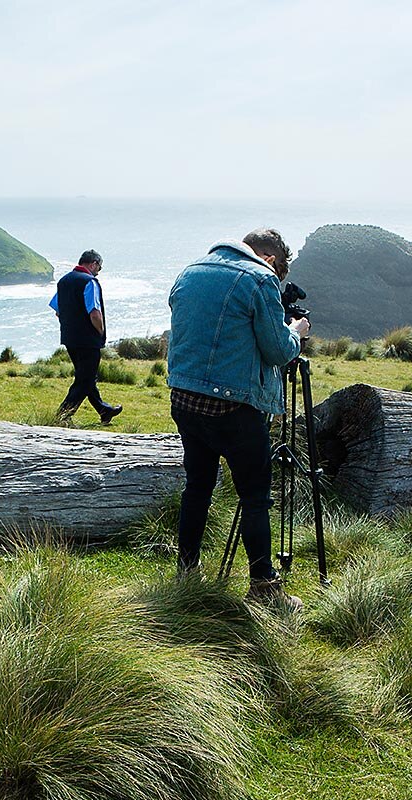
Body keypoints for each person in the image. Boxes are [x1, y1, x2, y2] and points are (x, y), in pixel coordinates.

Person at [166, 229, 310, 610]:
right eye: (279, 268)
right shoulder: (259, 279)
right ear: (268, 257)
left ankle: (187, 572)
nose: (278, 277)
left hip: (184, 399)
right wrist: (295, 332)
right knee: (254, 495)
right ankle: (265, 589)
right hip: (233, 407)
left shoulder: (190, 271)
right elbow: (278, 351)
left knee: (198, 487)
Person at [49, 249, 122, 424]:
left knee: (86, 376)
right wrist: (100, 331)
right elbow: (95, 312)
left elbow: (57, 310)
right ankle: (62, 416)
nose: (99, 271)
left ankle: (104, 410)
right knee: (84, 380)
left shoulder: (64, 281)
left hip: (69, 338)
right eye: (100, 267)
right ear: (93, 263)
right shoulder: (90, 282)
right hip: (88, 340)